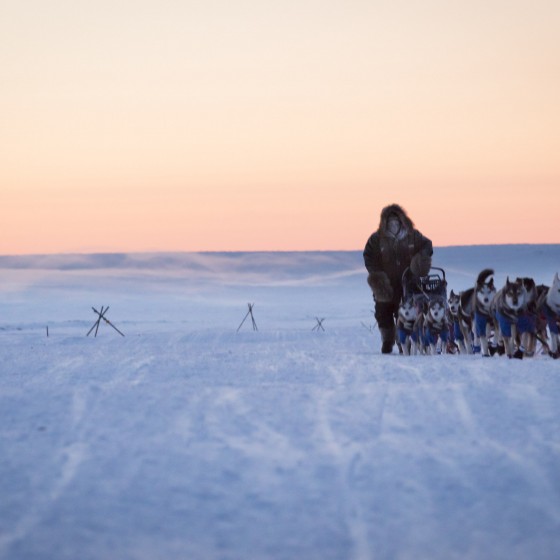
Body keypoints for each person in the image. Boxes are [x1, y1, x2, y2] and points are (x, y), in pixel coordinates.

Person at [363, 203, 433, 354]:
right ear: (384, 222)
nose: (393, 224)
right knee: (383, 311)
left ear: (402, 220)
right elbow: (369, 256)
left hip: (409, 280)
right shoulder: (376, 239)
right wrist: (377, 274)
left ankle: (406, 341)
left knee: (407, 310)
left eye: (396, 221)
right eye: (390, 221)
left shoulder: (413, 235)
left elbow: (427, 245)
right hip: (385, 282)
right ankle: (387, 340)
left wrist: (420, 261)